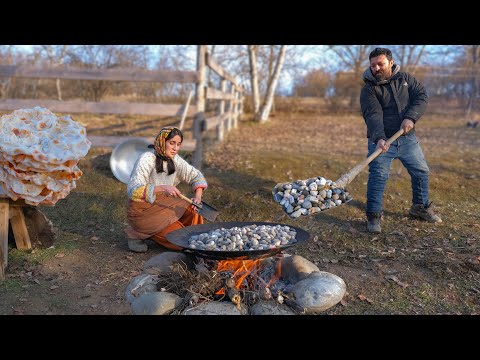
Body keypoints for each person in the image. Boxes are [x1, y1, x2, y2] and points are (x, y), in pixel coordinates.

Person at [360, 47, 442, 233]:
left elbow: (421, 97)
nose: (376, 68)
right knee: (378, 177)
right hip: (381, 141)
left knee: (421, 171)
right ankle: (373, 216)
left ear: (391, 62)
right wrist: (380, 138)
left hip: (407, 138)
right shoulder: (369, 89)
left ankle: (419, 208)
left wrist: (411, 117)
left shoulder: (406, 79)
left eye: (380, 64)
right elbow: (373, 115)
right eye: (373, 65)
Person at [125, 126, 208, 252]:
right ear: (162, 142)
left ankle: (174, 231)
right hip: (144, 211)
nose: (175, 148)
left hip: (166, 205)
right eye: (172, 143)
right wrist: (163, 187)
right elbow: (133, 190)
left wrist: (197, 197)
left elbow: (196, 176)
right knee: (181, 244)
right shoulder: (147, 158)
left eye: (178, 144)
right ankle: (138, 234)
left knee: (193, 210)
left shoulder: (175, 160)